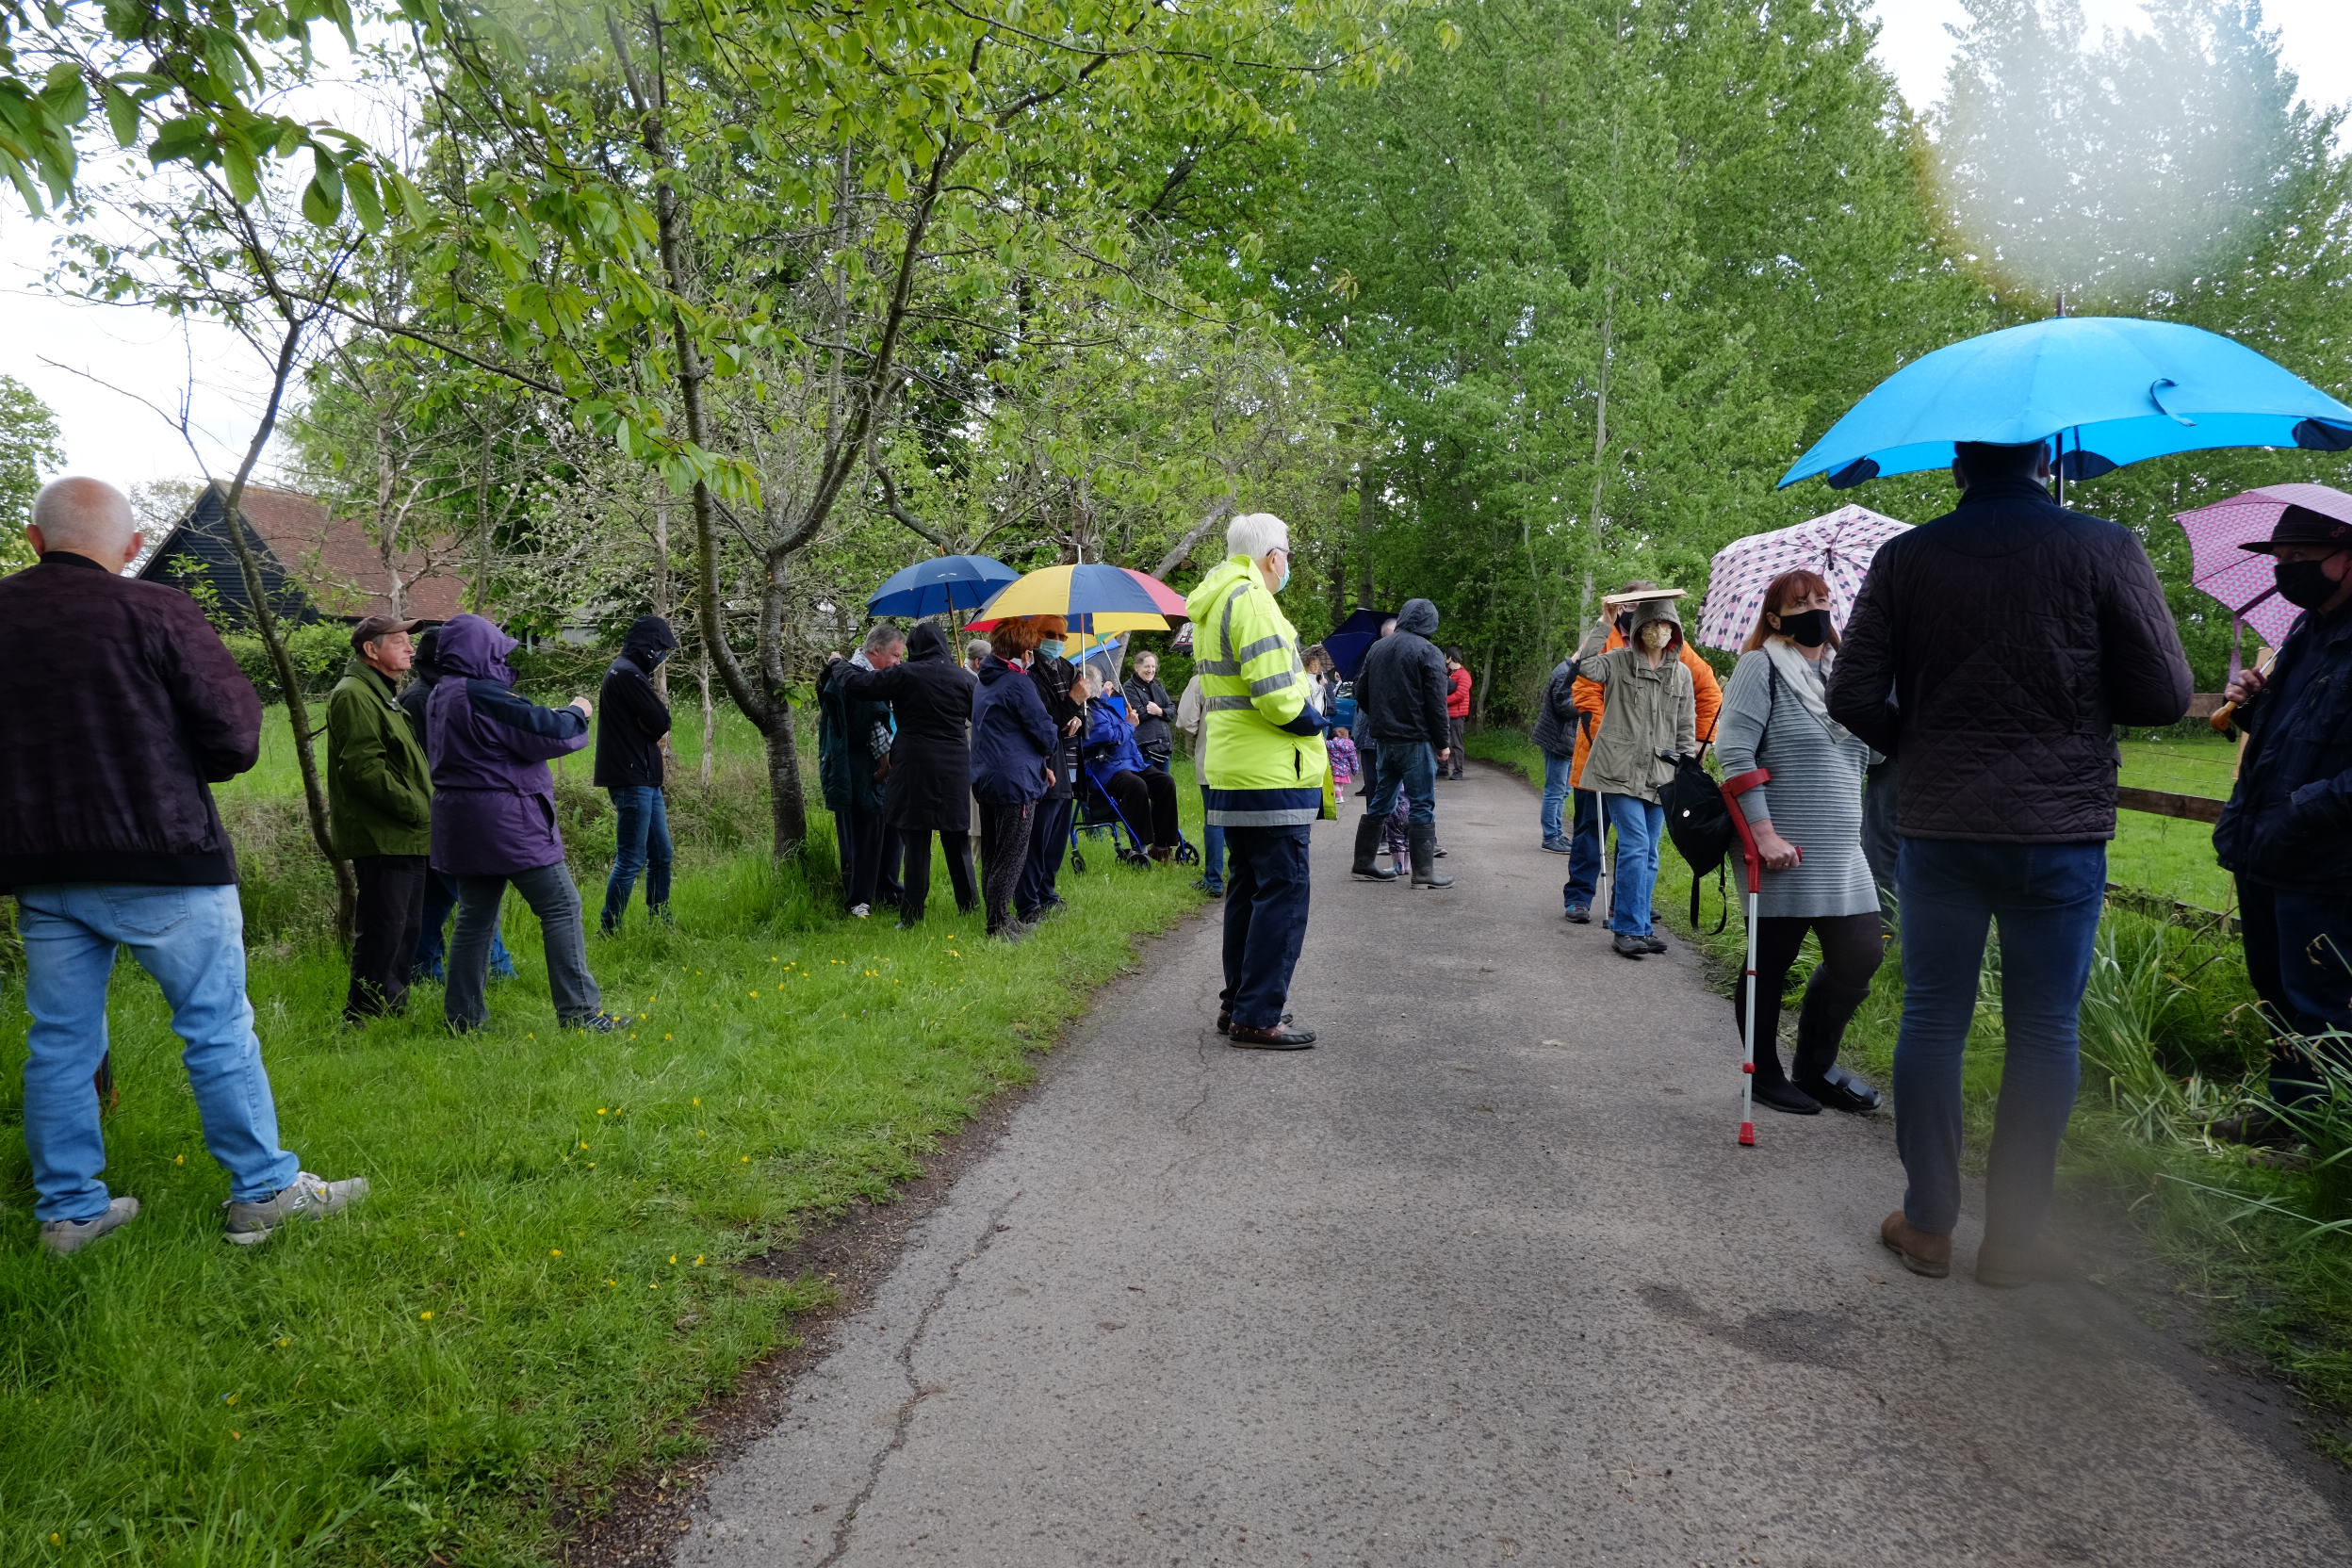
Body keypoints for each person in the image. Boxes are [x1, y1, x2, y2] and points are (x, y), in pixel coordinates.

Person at [1829, 438, 2190, 1287]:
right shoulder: (2104, 546)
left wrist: (1916, 748)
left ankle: (1927, 1225)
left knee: (1932, 1017)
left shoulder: (1906, 558)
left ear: (1958, 467)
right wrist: (2079, 708)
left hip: (1944, 826)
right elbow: (2166, 695)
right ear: (2043, 458)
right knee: (2043, 1029)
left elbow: (1851, 693)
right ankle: (2017, 1240)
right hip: (2059, 832)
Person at [1, 476, 368, 1252]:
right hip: (164, 856)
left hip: (40, 863)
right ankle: (264, 1193)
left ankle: (68, 1213)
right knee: (216, 1028)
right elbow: (235, 736)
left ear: (35, 540)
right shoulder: (157, 609)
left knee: (61, 1041)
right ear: (133, 549)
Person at [1715, 570, 1884, 1116]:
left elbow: (1876, 755)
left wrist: (1886, 687)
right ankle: (1763, 1072)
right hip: (1781, 846)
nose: (1816, 608)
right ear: (1774, 617)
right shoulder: (1758, 666)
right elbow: (1735, 755)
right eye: (1802, 601)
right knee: (1771, 962)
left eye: (1823, 599)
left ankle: (1814, 1069)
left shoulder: (1845, 676)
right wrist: (1764, 835)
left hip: (1841, 850)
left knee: (1861, 955)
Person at [2211, 503, 2352, 1141]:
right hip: (2267, 847)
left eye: (2299, 560)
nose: (2288, 573)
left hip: (2329, 861)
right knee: (2275, 988)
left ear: (2345, 555)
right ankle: (2289, 1112)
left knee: (2324, 1002)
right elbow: (2287, 739)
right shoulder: (2304, 632)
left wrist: (2303, 811)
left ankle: (2323, 1139)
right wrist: (2252, 708)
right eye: (2281, 562)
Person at [427, 612, 633, 1035]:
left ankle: (462, 1020)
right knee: (561, 906)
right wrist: (577, 711)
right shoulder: (483, 695)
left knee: (475, 917)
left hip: (460, 822)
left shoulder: (441, 693)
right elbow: (549, 733)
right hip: (506, 821)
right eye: (497, 650)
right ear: (480, 652)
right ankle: (580, 1014)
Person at [1184, 512, 1329, 1048]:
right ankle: (1257, 1015)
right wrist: (1314, 719)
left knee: (1247, 889)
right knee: (1283, 892)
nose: (1287, 563)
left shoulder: (1215, 599)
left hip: (1231, 765)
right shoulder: (1253, 599)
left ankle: (1238, 1005)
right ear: (1273, 557)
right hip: (1269, 768)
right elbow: (1275, 693)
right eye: (1287, 554)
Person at [1563, 581, 1723, 924]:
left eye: (1658, 612)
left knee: (1641, 846)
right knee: (1592, 830)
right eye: (1639, 607)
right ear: (1626, 607)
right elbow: (1584, 685)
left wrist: (1700, 744)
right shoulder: (1612, 648)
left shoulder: (1679, 659)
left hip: (1656, 769)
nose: (1655, 624)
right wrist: (1613, 735)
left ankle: (1628, 907)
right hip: (1603, 757)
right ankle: (1579, 896)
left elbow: (1708, 692)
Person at [1576, 596, 1697, 959]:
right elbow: (1583, 666)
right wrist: (1604, 621)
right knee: (1634, 845)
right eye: (1651, 624)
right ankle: (1626, 928)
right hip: (1619, 770)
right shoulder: (1618, 661)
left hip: (1661, 775)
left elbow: (1686, 727)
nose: (1658, 631)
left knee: (1651, 853)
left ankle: (1641, 926)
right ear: (1637, 629)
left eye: (1665, 626)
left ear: (1674, 632)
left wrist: (1687, 770)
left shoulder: (1682, 673)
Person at [837, 622, 980, 927]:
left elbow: (859, 686)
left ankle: (913, 916)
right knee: (957, 841)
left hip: (915, 766)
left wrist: (838, 664)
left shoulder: (905, 675)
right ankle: (969, 906)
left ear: (914, 648)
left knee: (916, 844)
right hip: (955, 767)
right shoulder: (964, 678)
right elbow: (980, 716)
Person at [328, 613, 433, 1023]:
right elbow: (364, 769)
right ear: (371, 650)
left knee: (404, 929)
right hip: (384, 834)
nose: (410, 647)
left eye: (410, 641)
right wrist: (419, 808)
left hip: (404, 833)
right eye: (399, 641)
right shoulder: (354, 694)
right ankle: (364, 1016)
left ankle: (391, 1010)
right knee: (383, 930)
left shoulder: (380, 692)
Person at [401, 626, 516, 983]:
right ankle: (498, 971)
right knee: (474, 899)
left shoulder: (430, 694)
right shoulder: (428, 699)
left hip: (438, 815)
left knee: (435, 901)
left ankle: (423, 970)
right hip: (445, 815)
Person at [1350, 597, 1453, 889]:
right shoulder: (1429, 652)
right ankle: (1423, 874)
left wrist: (1382, 720)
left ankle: (1363, 863)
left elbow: (1361, 693)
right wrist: (1443, 742)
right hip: (1415, 740)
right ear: (1430, 622)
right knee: (1422, 802)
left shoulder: (1378, 648)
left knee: (1382, 798)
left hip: (1384, 740)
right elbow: (1436, 704)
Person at [971, 624, 1058, 939]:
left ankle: (997, 916)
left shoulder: (985, 681)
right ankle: (999, 923)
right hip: (1014, 782)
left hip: (986, 776)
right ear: (1023, 650)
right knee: (1011, 854)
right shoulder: (1017, 683)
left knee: (993, 853)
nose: (1032, 654)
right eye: (1031, 648)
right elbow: (1042, 729)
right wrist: (1050, 745)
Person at [595, 614, 678, 934]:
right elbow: (660, 722)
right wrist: (652, 724)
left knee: (662, 855)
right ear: (649, 647)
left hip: (643, 777)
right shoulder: (627, 675)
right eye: (661, 649)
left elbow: (655, 721)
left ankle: (660, 921)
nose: (662, 657)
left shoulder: (627, 672)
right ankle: (609, 928)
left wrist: (652, 723)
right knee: (631, 858)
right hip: (631, 778)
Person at [819, 624, 907, 919]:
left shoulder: (869, 677)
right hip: (859, 770)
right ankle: (859, 899)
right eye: (895, 655)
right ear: (875, 650)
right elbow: (873, 727)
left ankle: (886, 889)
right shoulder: (856, 679)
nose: (898, 662)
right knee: (862, 836)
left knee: (889, 834)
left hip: (878, 770)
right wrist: (888, 763)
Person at [1017, 616, 1084, 923]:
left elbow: (1085, 716)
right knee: (1037, 839)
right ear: (1036, 636)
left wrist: (1081, 717)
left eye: (1061, 635)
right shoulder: (1029, 675)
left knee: (1057, 839)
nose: (1057, 640)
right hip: (1045, 766)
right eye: (1050, 634)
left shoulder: (1071, 671)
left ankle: (1048, 893)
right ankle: (1029, 901)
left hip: (1071, 765)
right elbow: (1043, 722)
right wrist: (1071, 703)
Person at [1080, 666, 1184, 860]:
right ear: (1093, 685)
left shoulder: (1103, 705)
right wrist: (1129, 724)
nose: (1104, 686)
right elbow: (1108, 735)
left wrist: (1109, 702)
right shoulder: (1087, 711)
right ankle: (1140, 846)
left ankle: (1163, 846)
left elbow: (1110, 723)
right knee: (1136, 785)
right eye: (1101, 683)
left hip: (1130, 762)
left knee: (1165, 782)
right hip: (1106, 768)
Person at [1175, 666, 1228, 896]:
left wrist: (1197, 737)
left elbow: (1186, 721)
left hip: (1213, 760)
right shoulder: (1244, 675)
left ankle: (1214, 879)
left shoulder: (1201, 681)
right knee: (1244, 820)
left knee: (1215, 820)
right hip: (1247, 764)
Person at [1529, 647, 1582, 856]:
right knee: (1555, 791)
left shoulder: (1571, 671)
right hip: (1558, 741)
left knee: (1563, 791)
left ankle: (1557, 834)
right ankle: (1550, 837)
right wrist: (1589, 700)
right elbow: (1563, 706)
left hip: (1565, 741)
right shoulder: (1564, 673)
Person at [1127, 648, 1177, 771]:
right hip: (1145, 749)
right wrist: (1154, 710)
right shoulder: (1129, 687)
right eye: (1147, 666)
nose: (1151, 670)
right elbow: (1137, 714)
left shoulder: (1158, 685)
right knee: (1147, 787)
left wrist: (1159, 711)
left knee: (1165, 786)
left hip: (1163, 747)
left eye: (1153, 667)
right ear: (1136, 667)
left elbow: (1172, 709)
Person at [1442, 648, 1473, 779]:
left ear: (1450, 657)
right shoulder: (1448, 673)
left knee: (1457, 744)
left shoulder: (1464, 675)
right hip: (1446, 713)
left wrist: (1442, 701)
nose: (1444, 659)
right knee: (1442, 742)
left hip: (1457, 715)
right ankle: (1442, 768)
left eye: (1445, 657)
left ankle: (1458, 771)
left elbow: (1460, 695)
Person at [1327, 726, 1359, 805]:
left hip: (1334, 769)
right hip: (1344, 769)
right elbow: (1353, 760)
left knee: (1335, 784)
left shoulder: (1331, 744)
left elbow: (1323, 742)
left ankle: (1339, 797)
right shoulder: (1351, 746)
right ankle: (1338, 796)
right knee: (1340, 784)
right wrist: (1355, 770)